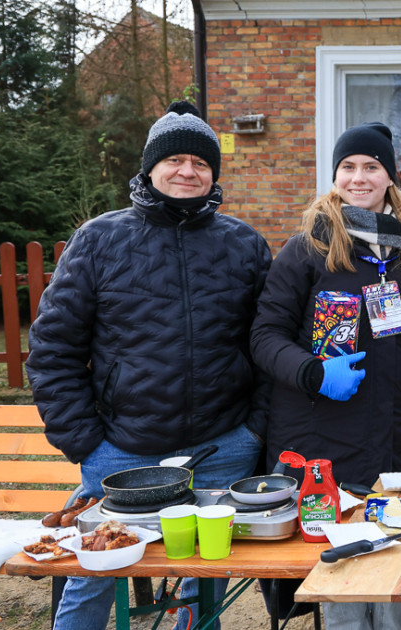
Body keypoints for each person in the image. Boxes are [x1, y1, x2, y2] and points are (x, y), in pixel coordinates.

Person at [26, 101, 272, 630]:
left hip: (223, 446)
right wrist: (86, 443)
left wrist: (254, 430)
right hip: (122, 453)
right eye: (176, 159)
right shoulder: (99, 240)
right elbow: (52, 350)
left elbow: (268, 343)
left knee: (204, 580)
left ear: (214, 173)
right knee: (93, 575)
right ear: (150, 167)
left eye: (201, 163)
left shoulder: (245, 244)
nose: (188, 171)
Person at [249, 122, 401, 630]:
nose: (359, 178)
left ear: (391, 178)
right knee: (343, 589)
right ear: (334, 176)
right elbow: (265, 337)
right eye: (348, 167)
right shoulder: (306, 250)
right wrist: (313, 372)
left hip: (398, 445)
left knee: (395, 578)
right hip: (325, 442)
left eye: (372, 167)